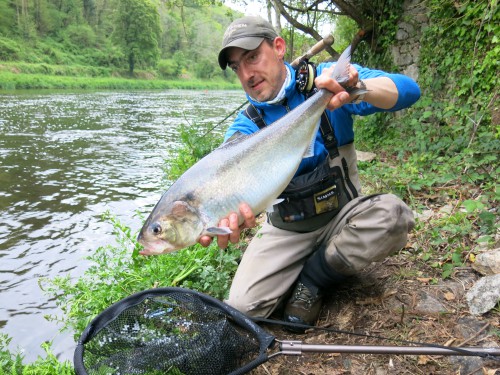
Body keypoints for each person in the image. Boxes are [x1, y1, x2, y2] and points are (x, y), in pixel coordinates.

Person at [199, 16, 421, 331]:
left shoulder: (327, 82)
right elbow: (224, 181)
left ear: (278, 47)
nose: (247, 74)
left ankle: (313, 278)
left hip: (345, 215)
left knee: (392, 215)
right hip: (287, 232)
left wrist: (358, 88)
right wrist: (224, 212)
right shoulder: (244, 130)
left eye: (252, 57)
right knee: (242, 308)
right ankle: (315, 261)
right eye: (237, 67)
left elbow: (409, 91)